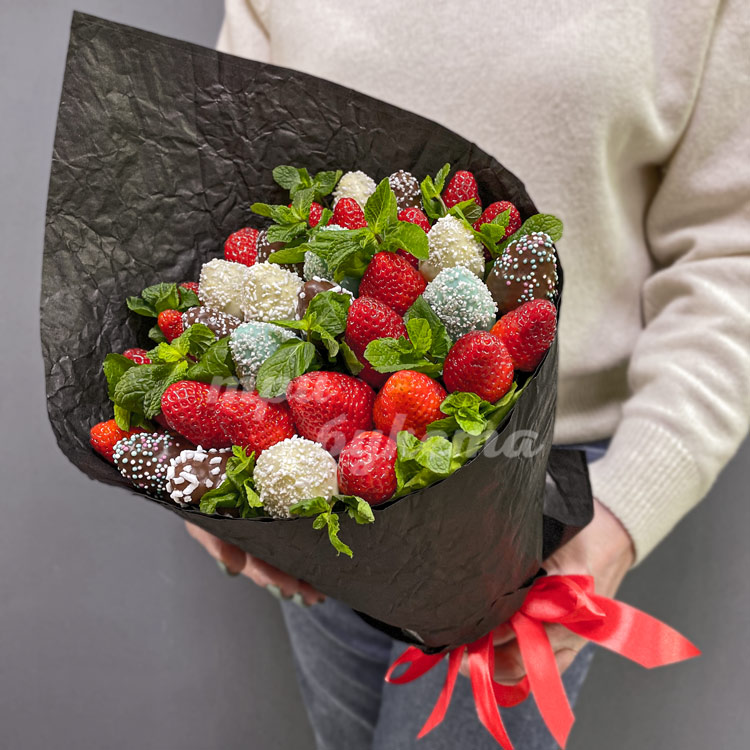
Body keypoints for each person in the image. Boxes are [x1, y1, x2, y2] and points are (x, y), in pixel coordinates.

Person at [187, 1, 750, 747]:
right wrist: (205, 448)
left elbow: (730, 252)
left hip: (536, 497)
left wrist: (624, 510)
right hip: (317, 466)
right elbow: (235, 195)